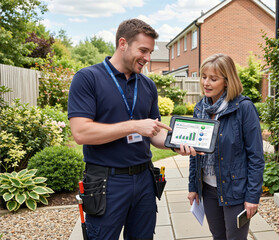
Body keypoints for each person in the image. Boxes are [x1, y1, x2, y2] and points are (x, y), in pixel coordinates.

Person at [68, 18, 196, 240]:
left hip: (145, 179)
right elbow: (81, 133)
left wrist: (176, 145)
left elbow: (154, 133)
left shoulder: (147, 85)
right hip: (107, 182)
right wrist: (134, 125)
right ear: (123, 43)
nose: (147, 58)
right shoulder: (88, 78)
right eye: (143, 51)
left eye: (150, 52)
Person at [187, 53, 265, 240]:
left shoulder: (244, 108)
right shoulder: (200, 109)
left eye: (213, 79)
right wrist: (193, 186)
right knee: (218, 236)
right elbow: (194, 153)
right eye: (204, 77)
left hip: (235, 190)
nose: (206, 83)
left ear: (227, 81)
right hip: (207, 188)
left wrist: (252, 197)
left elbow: (256, 157)